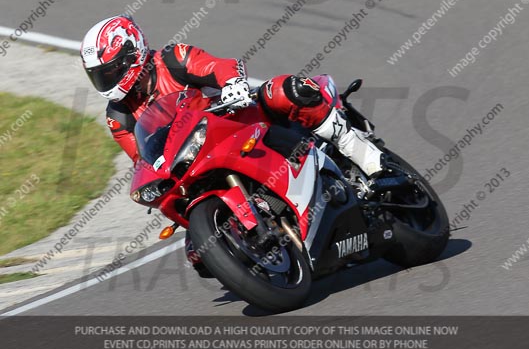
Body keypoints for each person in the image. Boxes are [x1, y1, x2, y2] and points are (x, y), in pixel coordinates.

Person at [80, 16, 384, 270]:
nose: (106, 81)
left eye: (110, 71)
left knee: (284, 91)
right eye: (99, 76)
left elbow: (217, 66)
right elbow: (143, 160)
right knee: (198, 256)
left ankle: (365, 156)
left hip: (233, 121)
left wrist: (232, 84)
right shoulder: (118, 117)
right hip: (193, 162)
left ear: (134, 54)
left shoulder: (171, 59)